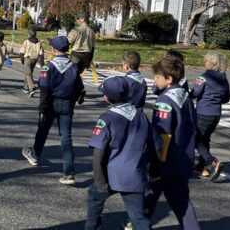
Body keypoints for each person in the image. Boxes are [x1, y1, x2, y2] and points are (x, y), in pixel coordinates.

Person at [86, 76, 157, 230]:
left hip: (111, 174)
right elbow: (152, 144)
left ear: (107, 97)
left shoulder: (107, 119)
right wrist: (151, 169)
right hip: (134, 175)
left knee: (94, 200)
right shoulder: (141, 116)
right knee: (138, 217)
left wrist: (100, 182)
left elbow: (99, 153)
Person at [143, 57, 200, 230]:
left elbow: (163, 136)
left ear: (169, 79)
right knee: (181, 202)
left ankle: (136, 224)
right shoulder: (185, 97)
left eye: (157, 77)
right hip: (184, 159)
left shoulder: (164, 102)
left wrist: (154, 165)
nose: (154, 80)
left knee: (148, 195)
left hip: (166, 161)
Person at [22, 36, 85, 185]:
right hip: (68, 104)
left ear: (53, 50)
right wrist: (74, 100)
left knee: (43, 129)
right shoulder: (73, 67)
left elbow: (44, 88)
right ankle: (69, 173)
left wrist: (42, 107)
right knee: (66, 138)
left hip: (51, 103)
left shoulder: (48, 67)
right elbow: (79, 88)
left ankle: (35, 155)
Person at [191, 52, 230, 181]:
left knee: (195, 139)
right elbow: (226, 98)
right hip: (216, 114)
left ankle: (211, 162)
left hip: (203, 113)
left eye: (206, 61)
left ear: (211, 63)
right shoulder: (223, 79)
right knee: (205, 139)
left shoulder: (204, 77)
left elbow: (196, 93)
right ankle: (202, 168)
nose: (204, 63)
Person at [19, 29, 45, 98]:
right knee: (29, 73)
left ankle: (32, 88)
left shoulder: (26, 42)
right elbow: (41, 54)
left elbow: (22, 52)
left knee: (28, 74)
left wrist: (22, 60)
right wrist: (42, 64)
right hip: (34, 60)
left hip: (27, 59)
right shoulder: (39, 43)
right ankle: (26, 87)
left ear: (29, 35)